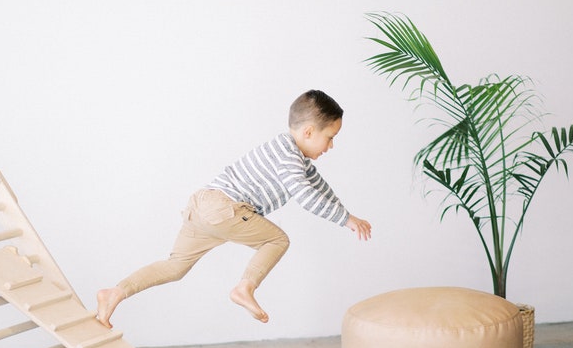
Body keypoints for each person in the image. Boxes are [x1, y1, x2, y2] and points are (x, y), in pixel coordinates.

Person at [96, 90, 372, 328]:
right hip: (223, 208)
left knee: (175, 266)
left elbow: (320, 189)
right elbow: (305, 196)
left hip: (202, 205)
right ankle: (244, 287)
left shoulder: (293, 157)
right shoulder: (288, 157)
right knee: (277, 240)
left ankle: (114, 293)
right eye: (330, 137)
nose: (332, 146)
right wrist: (344, 220)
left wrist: (350, 215)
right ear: (309, 132)